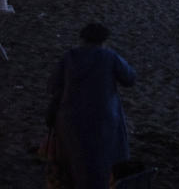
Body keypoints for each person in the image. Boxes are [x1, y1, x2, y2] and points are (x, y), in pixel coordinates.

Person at [47, 23, 136, 189]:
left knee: (73, 165)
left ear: (82, 38)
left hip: (69, 119)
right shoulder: (109, 56)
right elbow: (130, 78)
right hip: (103, 120)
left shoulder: (69, 57)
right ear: (104, 40)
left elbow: (52, 86)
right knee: (101, 165)